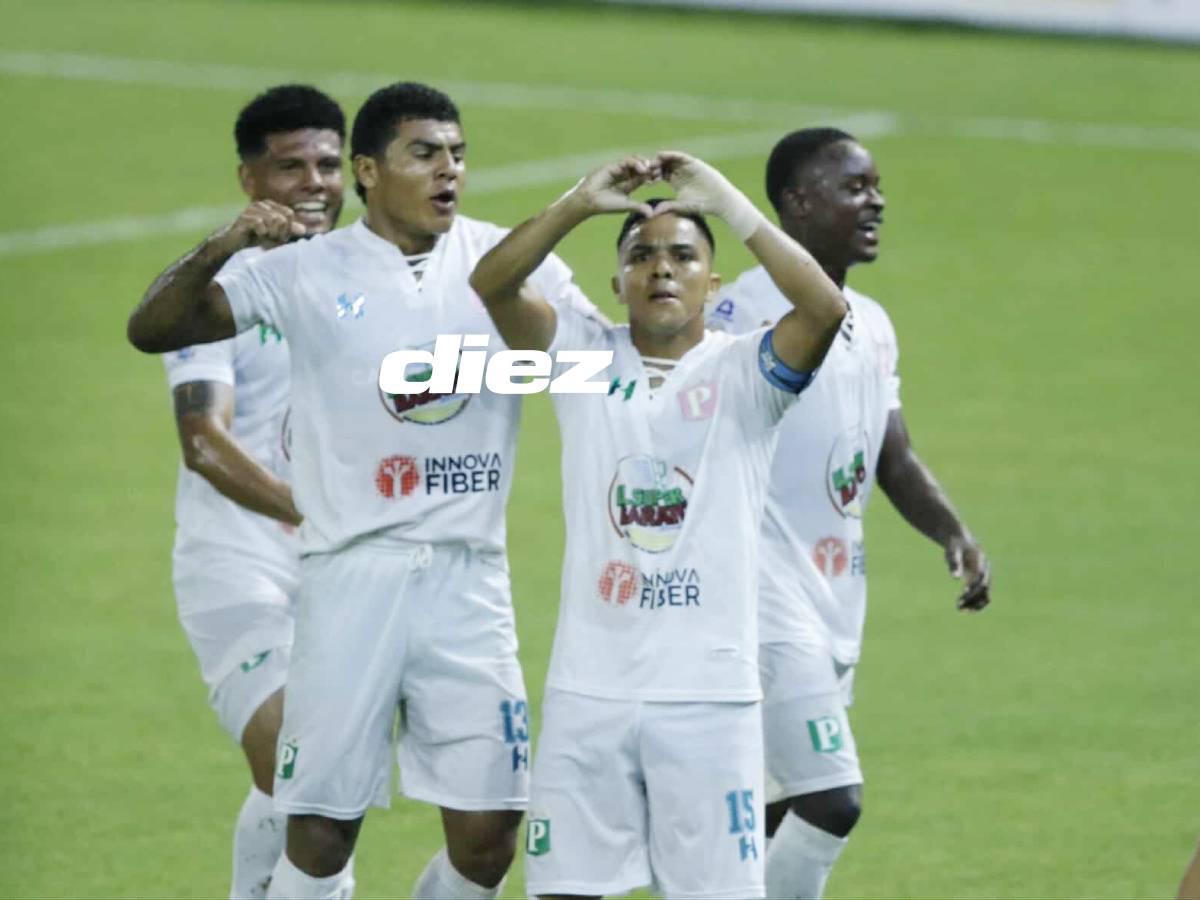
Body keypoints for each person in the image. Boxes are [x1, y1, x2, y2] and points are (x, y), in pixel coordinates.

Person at [129, 81, 594, 900]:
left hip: (468, 579)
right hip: (349, 576)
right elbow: (155, 328)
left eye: (457, 154)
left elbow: (594, 367)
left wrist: (465, 369)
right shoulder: (307, 272)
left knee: (490, 837)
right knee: (319, 826)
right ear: (371, 171)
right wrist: (221, 245)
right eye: (425, 153)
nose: (449, 169)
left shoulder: (510, 260)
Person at [469, 151, 848, 899]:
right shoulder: (580, 359)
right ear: (617, 284)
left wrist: (730, 204)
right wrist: (578, 202)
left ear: (714, 283)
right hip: (590, 692)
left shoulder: (748, 375)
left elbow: (825, 309)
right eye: (641, 256)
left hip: (709, 697)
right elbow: (491, 283)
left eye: (683, 257)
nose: (661, 270)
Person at [705, 127, 992, 899]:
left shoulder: (872, 321)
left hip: (834, 595)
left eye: (875, 186)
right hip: (760, 594)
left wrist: (952, 532)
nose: (877, 202)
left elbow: (891, 455)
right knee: (833, 800)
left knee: (774, 818)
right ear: (797, 204)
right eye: (855, 188)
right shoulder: (738, 313)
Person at [147, 83, 345, 900]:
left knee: (317, 786)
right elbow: (204, 443)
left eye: (328, 164)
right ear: (249, 180)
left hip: (347, 572)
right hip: (238, 566)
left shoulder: (371, 278)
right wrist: (318, 514)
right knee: (294, 752)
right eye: (289, 166)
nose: (313, 182)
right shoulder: (214, 295)